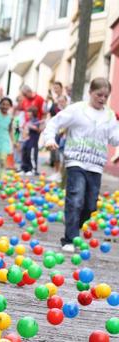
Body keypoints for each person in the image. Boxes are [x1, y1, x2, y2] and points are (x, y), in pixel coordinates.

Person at [42, 78, 119, 252]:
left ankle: (73, 222)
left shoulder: (109, 115)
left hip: (96, 165)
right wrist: (49, 138)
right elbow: (55, 122)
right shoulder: (78, 110)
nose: (102, 99)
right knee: (75, 199)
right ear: (90, 92)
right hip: (76, 161)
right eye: (99, 94)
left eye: (105, 96)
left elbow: (115, 138)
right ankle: (69, 238)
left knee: (90, 206)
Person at [47, 95, 69, 182]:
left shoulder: (68, 111)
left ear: (66, 101)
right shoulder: (59, 111)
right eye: (59, 102)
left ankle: (61, 174)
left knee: (62, 156)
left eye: (62, 101)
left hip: (64, 136)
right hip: (58, 135)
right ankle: (57, 173)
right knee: (56, 154)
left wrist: (62, 131)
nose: (60, 103)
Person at [19, 107, 42, 175]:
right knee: (24, 154)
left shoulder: (36, 120)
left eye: (30, 112)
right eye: (28, 112)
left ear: (33, 113)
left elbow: (38, 129)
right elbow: (25, 131)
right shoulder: (28, 121)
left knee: (31, 156)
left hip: (33, 143)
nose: (28, 114)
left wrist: (31, 126)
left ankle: (33, 170)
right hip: (26, 142)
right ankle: (24, 169)